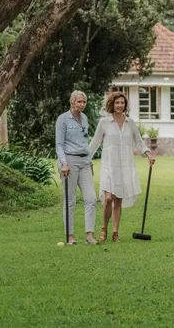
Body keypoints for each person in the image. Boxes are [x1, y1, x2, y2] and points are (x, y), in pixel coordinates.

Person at [89, 91, 155, 243]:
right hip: (109, 165)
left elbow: (138, 141)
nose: (120, 105)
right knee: (108, 198)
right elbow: (95, 142)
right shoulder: (104, 122)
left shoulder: (130, 123)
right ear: (111, 104)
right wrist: (86, 158)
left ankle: (115, 233)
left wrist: (148, 154)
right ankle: (104, 230)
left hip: (125, 165)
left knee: (118, 199)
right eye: (117, 103)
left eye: (122, 103)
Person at [55, 90, 97, 245]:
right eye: (79, 102)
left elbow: (85, 142)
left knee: (91, 198)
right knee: (70, 200)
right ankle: (70, 235)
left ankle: (90, 235)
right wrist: (64, 163)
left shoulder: (85, 118)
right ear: (72, 102)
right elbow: (59, 145)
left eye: (84, 102)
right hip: (69, 163)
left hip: (84, 162)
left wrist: (89, 160)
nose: (82, 105)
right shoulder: (63, 119)